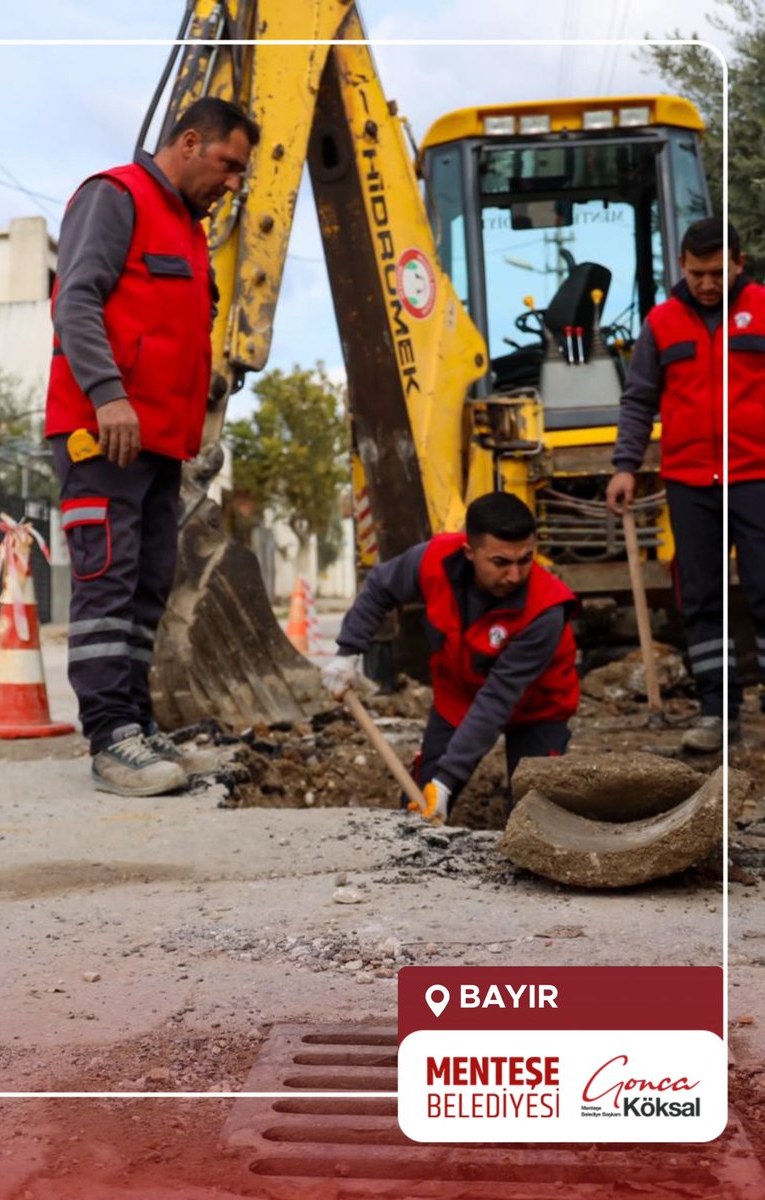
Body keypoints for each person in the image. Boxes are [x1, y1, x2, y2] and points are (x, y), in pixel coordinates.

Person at [45, 98, 259, 796]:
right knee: (107, 583)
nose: (233, 183)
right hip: (101, 431)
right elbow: (75, 301)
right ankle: (110, 739)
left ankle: (136, 725)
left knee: (145, 586)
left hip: (160, 444)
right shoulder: (115, 198)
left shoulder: (192, 232)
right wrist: (108, 393)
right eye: (227, 165)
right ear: (189, 141)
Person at [322, 493, 580, 823]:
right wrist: (349, 651)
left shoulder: (545, 610)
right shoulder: (434, 560)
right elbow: (380, 587)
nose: (515, 575)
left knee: (539, 815)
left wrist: (446, 782)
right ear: (469, 552)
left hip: (538, 708)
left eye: (525, 560)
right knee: (416, 811)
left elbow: (497, 701)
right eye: (501, 562)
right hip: (458, 693)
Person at [606, 219, 765, 753]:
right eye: (697, 273)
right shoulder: (662, 323)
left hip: (756, 475)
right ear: (681, 265)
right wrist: (625, 465)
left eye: (718, 272)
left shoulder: (762, 309)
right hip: (690, 481)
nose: (707, 283)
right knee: (700, 598)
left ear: (739, 264)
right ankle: (719, 713)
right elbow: (638, 399)